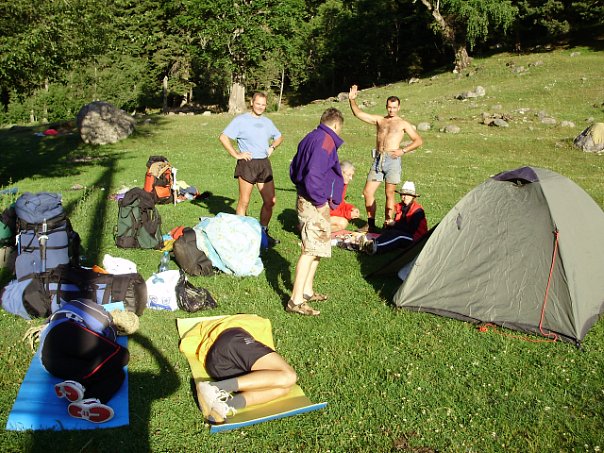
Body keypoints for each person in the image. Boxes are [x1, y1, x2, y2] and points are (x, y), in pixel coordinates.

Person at [288, 108, 345, 316]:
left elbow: (294, 168)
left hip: (309, 198)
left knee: (318, 247)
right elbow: (313, 175)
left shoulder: (311, 137)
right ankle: (295, 300)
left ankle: (307, 290)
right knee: (309, 250)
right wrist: (321, 203)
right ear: (336, 125)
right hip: (314, 202)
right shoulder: (325, 142)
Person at [39, 300, 132, 424]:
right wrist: (113, 327)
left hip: (50, 363)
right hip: (64, 332)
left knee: (116, 372)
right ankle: (79, 382)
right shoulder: (102, 314)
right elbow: (108, 342)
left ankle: (90, 401)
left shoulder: (69, 307)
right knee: (121, 354)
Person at [194, 314, 297, 425]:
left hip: (218, 366)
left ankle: (223, 406)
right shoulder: (252, 322)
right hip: (230, 341)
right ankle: (214, 388)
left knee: (284, 388)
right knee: (289, 376)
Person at [348, 85, 423, 232]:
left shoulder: (403, 123)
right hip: (378, 159)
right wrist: (352, 100)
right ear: (386, 107)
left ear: (399, 107)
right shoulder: (380, 120)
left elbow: (418, 140)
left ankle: (388, 224)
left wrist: (403, 150)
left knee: (389, 193)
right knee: (367, 192)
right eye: (389, 107)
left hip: (392, 160)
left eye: (394, 107)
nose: (391, 110)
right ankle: (370, 225)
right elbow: (358, 114)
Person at [219, 92, 284, 246]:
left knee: (270, 201)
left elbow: (279, 136)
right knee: (244, 201)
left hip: (264, 164)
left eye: (263, 104)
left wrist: (272, 147)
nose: (260, 107)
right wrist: (236, 154)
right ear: (252, 103)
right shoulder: (241, 120)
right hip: (247, 164)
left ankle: (263, 233)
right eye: (258, 103)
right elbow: (223, 137)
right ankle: (240, 236)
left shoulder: (267, 122)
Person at [360, 181, 427, 255]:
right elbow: (399, 226)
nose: (405, 197)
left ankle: (376, 247)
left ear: (413, 197)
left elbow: (411, 230)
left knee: (399, 236)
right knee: (391, 232)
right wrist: (389, 225)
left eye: (408, 195)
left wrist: (394, 224)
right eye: (403, 194)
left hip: (417, 238)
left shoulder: (418, 211)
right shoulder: (400, 207)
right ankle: (372, 243)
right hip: (405, 233)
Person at [329, 160, 360, 231]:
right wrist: (348, 213)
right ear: (341, 172)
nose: (351, 178)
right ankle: (315, 232)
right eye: (349, 175)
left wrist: (351, 209)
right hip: (319, 214)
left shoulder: (343, 184)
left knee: (344, 222)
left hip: (326, 213)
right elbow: (329, 208)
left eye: (352, 175)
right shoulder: (332, 184)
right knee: (342, 223)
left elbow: (339, 203)